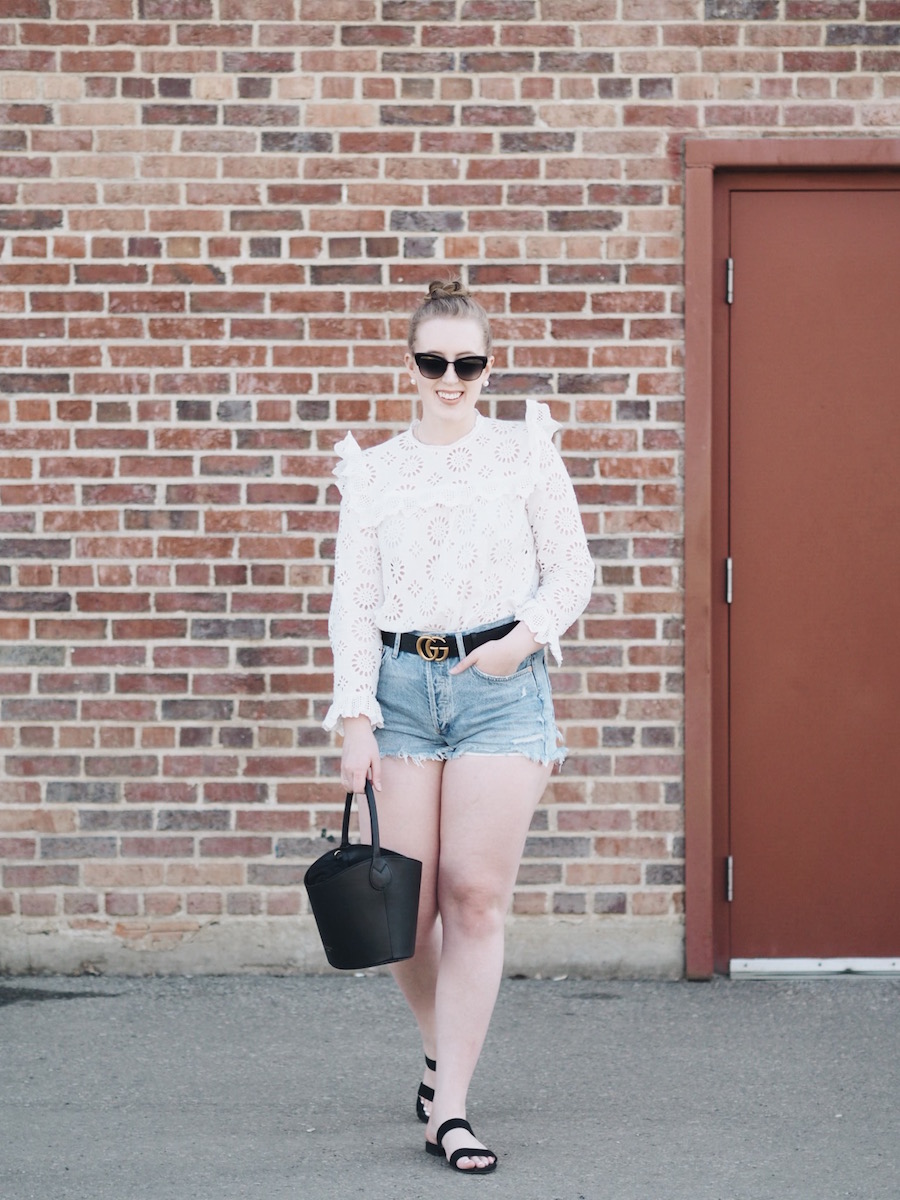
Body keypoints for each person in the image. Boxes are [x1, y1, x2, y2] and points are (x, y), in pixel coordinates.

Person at [323, 279, 594, 1174]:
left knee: (474, 896)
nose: (451, 377)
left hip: (498, 689)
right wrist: (354, 716)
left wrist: (519, 646)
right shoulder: (375, 469)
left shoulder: (524, 453)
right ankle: (442, 1050)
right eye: (434, 361)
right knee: (405, 911)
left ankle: (452, 1108)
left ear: (488, 366)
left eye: (467, 363)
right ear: (410, 363)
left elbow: (572, 573)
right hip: (400, 687)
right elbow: (352, 600)